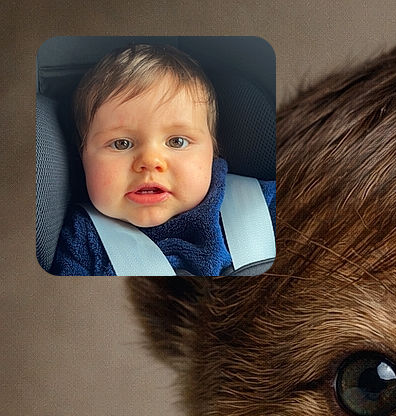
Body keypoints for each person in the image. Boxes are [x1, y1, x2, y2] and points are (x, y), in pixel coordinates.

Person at [49, 43, 275, 276]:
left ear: (214, 150)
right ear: (82, 156)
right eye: (121, 144)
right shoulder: (81, 242)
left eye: (177, 141)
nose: (150, 161)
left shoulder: (263, 207)